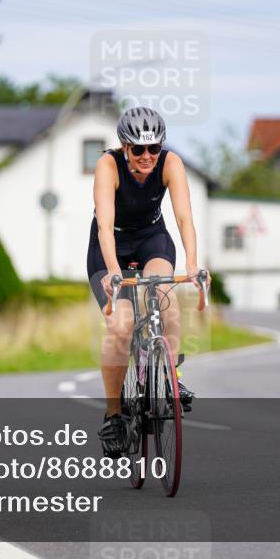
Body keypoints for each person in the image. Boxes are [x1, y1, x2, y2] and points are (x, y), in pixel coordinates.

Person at [87, 106, 202, 458]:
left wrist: (193, 265)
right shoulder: (108, 166)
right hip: (111, 246)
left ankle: (171, 376)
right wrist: (113, 273)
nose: (147, 156)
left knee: (166, 295)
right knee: (120, 327)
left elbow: (183, 217)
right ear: (124, 147)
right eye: (138, 149)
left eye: (154, 148)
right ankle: (113, 415)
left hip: (152, 238)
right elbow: (104, 225)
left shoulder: (171, 164)